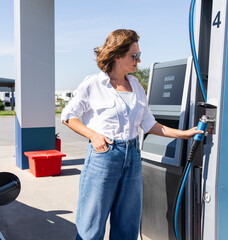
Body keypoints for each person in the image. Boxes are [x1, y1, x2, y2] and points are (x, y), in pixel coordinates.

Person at [61, 29, 202, 240]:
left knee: (128, 223)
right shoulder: (94, 83)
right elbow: (68, 116)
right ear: (117, 56)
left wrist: (184, 134)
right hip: (104, 156)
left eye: (139, 55)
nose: (139, 60)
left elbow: (150, 124)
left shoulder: (136, 86)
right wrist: (93, 135)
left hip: (133, 156)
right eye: (134, 56)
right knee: (92, 224)